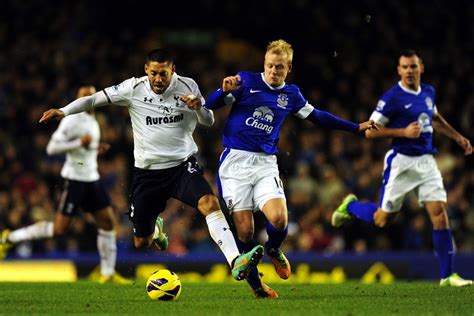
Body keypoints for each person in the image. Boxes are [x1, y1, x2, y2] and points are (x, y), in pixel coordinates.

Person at [34, 49, 264, 282]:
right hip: (147, 174)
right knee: (141, 241)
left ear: (172, 70)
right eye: (153, 73)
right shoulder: (133, 88)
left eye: (163, 74)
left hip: (181, 166)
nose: (158, 79)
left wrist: (199, 108)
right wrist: (63, 111)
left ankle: (236, 260)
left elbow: (209, 120)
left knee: (210, 202)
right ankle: (156, 230)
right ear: (146, 70)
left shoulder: (187, 86)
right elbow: (95, 99)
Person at [205, 39, 377, 298]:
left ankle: (273, 249)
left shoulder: (291, 95)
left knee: (279, 219)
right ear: (264, 63)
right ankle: (257, 286)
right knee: (245, 231)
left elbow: (317, 116)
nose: (274, 71)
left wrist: (355, 127)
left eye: (280, 67)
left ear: (289, 68)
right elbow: (210, 104)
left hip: (265, 163)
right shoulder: (245, 81)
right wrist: (222, 90)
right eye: (270, 66)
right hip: (235, 163)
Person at [331, 50, 473, 287]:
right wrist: (402, 132)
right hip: (401, 163)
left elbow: (435, 119)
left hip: (427, 161)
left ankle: (448, 276)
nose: (409, 71)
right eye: (405, 67)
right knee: (382, 220)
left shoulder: (428, 92)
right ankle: (351, 205)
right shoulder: (392, 98)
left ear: (421, 68)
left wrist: (458, 137)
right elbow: (368, 131)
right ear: (399, 70)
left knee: (439, 215)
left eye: (413, 67)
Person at [0, 86, 132, 284]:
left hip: (91, 178)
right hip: (75, 179)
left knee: (107, 223)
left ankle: (107, 273)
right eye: (84, 97)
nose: (88, 100)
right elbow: (52, 148)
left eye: (90, 96)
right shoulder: (71, 120)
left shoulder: (92, 119)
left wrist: (95, 149)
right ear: (77, 99)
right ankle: (9, 238)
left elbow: (85, 147)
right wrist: (78, 143)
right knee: (60, 229)